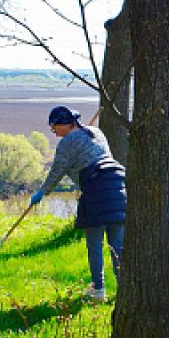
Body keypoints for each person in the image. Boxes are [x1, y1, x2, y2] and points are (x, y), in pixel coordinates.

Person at [29, 106, 126, 302]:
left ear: (66, 124)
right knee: (117, 246)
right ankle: (125, 290)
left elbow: (57, 170)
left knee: (95, 244)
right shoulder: (96, 132)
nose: (53, 131)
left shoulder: (67, 143)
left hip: (96, 192)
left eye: (54, 126)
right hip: (119, 188)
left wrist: (42, 192)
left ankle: (98, 291)